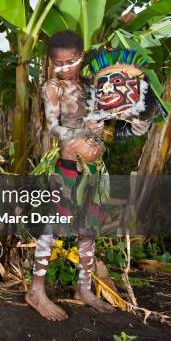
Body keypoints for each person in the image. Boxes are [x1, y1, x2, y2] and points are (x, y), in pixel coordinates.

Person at [25, 30, 151, 321]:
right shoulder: (53, 87)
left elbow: (108, 128)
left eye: (71, 61)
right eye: (58, 63)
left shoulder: (95, 86)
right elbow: (53, 127)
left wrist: (132, 129)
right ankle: (36, 290)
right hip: (68, 167)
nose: (64, 68)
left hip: (94, 170)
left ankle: (83, 288)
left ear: (82, 57)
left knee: (88, 228)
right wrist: (81, 131)